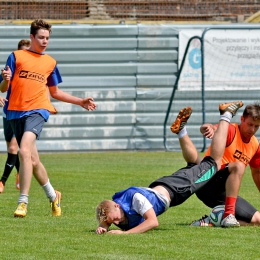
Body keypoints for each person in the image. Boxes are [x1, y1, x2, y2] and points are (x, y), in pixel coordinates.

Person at [95, 101, 243, 234]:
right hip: (168, 187)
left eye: (113, 219)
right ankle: (181, 131)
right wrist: (104, 225)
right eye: (111, 222)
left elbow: (153, 222)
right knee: (195, 165)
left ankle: (226, 114)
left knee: (213, 163)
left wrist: (125, 235)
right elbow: (108, 214)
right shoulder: (119, 206)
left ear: (117, 206)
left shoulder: (136, 199)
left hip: (177, 189)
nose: (116, 223)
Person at [0, 19, 96, 218]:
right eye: (41, 37)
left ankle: (22, 203)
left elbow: (55, 92)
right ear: (32, 37)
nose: (45, 41)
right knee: (33, 161)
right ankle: (54, 196)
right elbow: (3, 88)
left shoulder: (50, 62)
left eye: (47, 38)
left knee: (23, 149)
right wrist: (5, 81)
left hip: (38, 110)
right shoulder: (16, 57)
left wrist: (80, 101)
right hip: (15, 112)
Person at [172, 103, 260, 227]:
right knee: (238, 166)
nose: (252, 129)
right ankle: (228, 215)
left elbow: (257, 174)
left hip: (225, 194)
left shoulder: (255, 145)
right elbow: (215, 128)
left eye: (256, 126)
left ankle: (212, 221)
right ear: (242, 119)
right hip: (208, 183)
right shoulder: (231, 129)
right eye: (250, 124)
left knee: (257, 220)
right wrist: (209, 128)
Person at [0, 39, 31, 193]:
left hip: (24, 114)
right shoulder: (9, 67)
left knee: (14, 147)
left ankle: (2, 181)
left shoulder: (32, 71)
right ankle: (20, 172)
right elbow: (2, 88)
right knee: (12, 149)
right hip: (8, 113)